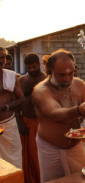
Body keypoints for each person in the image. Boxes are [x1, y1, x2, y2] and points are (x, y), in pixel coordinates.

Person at [32, 49, 85, 182]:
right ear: (49, 72)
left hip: (75, 146)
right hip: (50, 149)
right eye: (61, 75)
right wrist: (78, 111)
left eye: (71, 73)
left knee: (80, 180)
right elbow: (55, 114)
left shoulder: (79, 84)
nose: (68, 78)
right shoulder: (41, 90)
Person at [19, 53, 46, 183]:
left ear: (39, 64)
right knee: (28, 157)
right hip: (26, 123)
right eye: (29, 68)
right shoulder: (21, 81)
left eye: (34, 67)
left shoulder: (47, 79)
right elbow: (17, 104)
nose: (32, 70)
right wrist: (20, 123)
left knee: (41, 157)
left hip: (43, 124)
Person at [0, 47, 25, 169]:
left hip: (8, 124)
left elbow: (21, 98)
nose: (0, 61)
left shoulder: (11, 76)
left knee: (14, 161)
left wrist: (7, 106)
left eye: (2, 57)